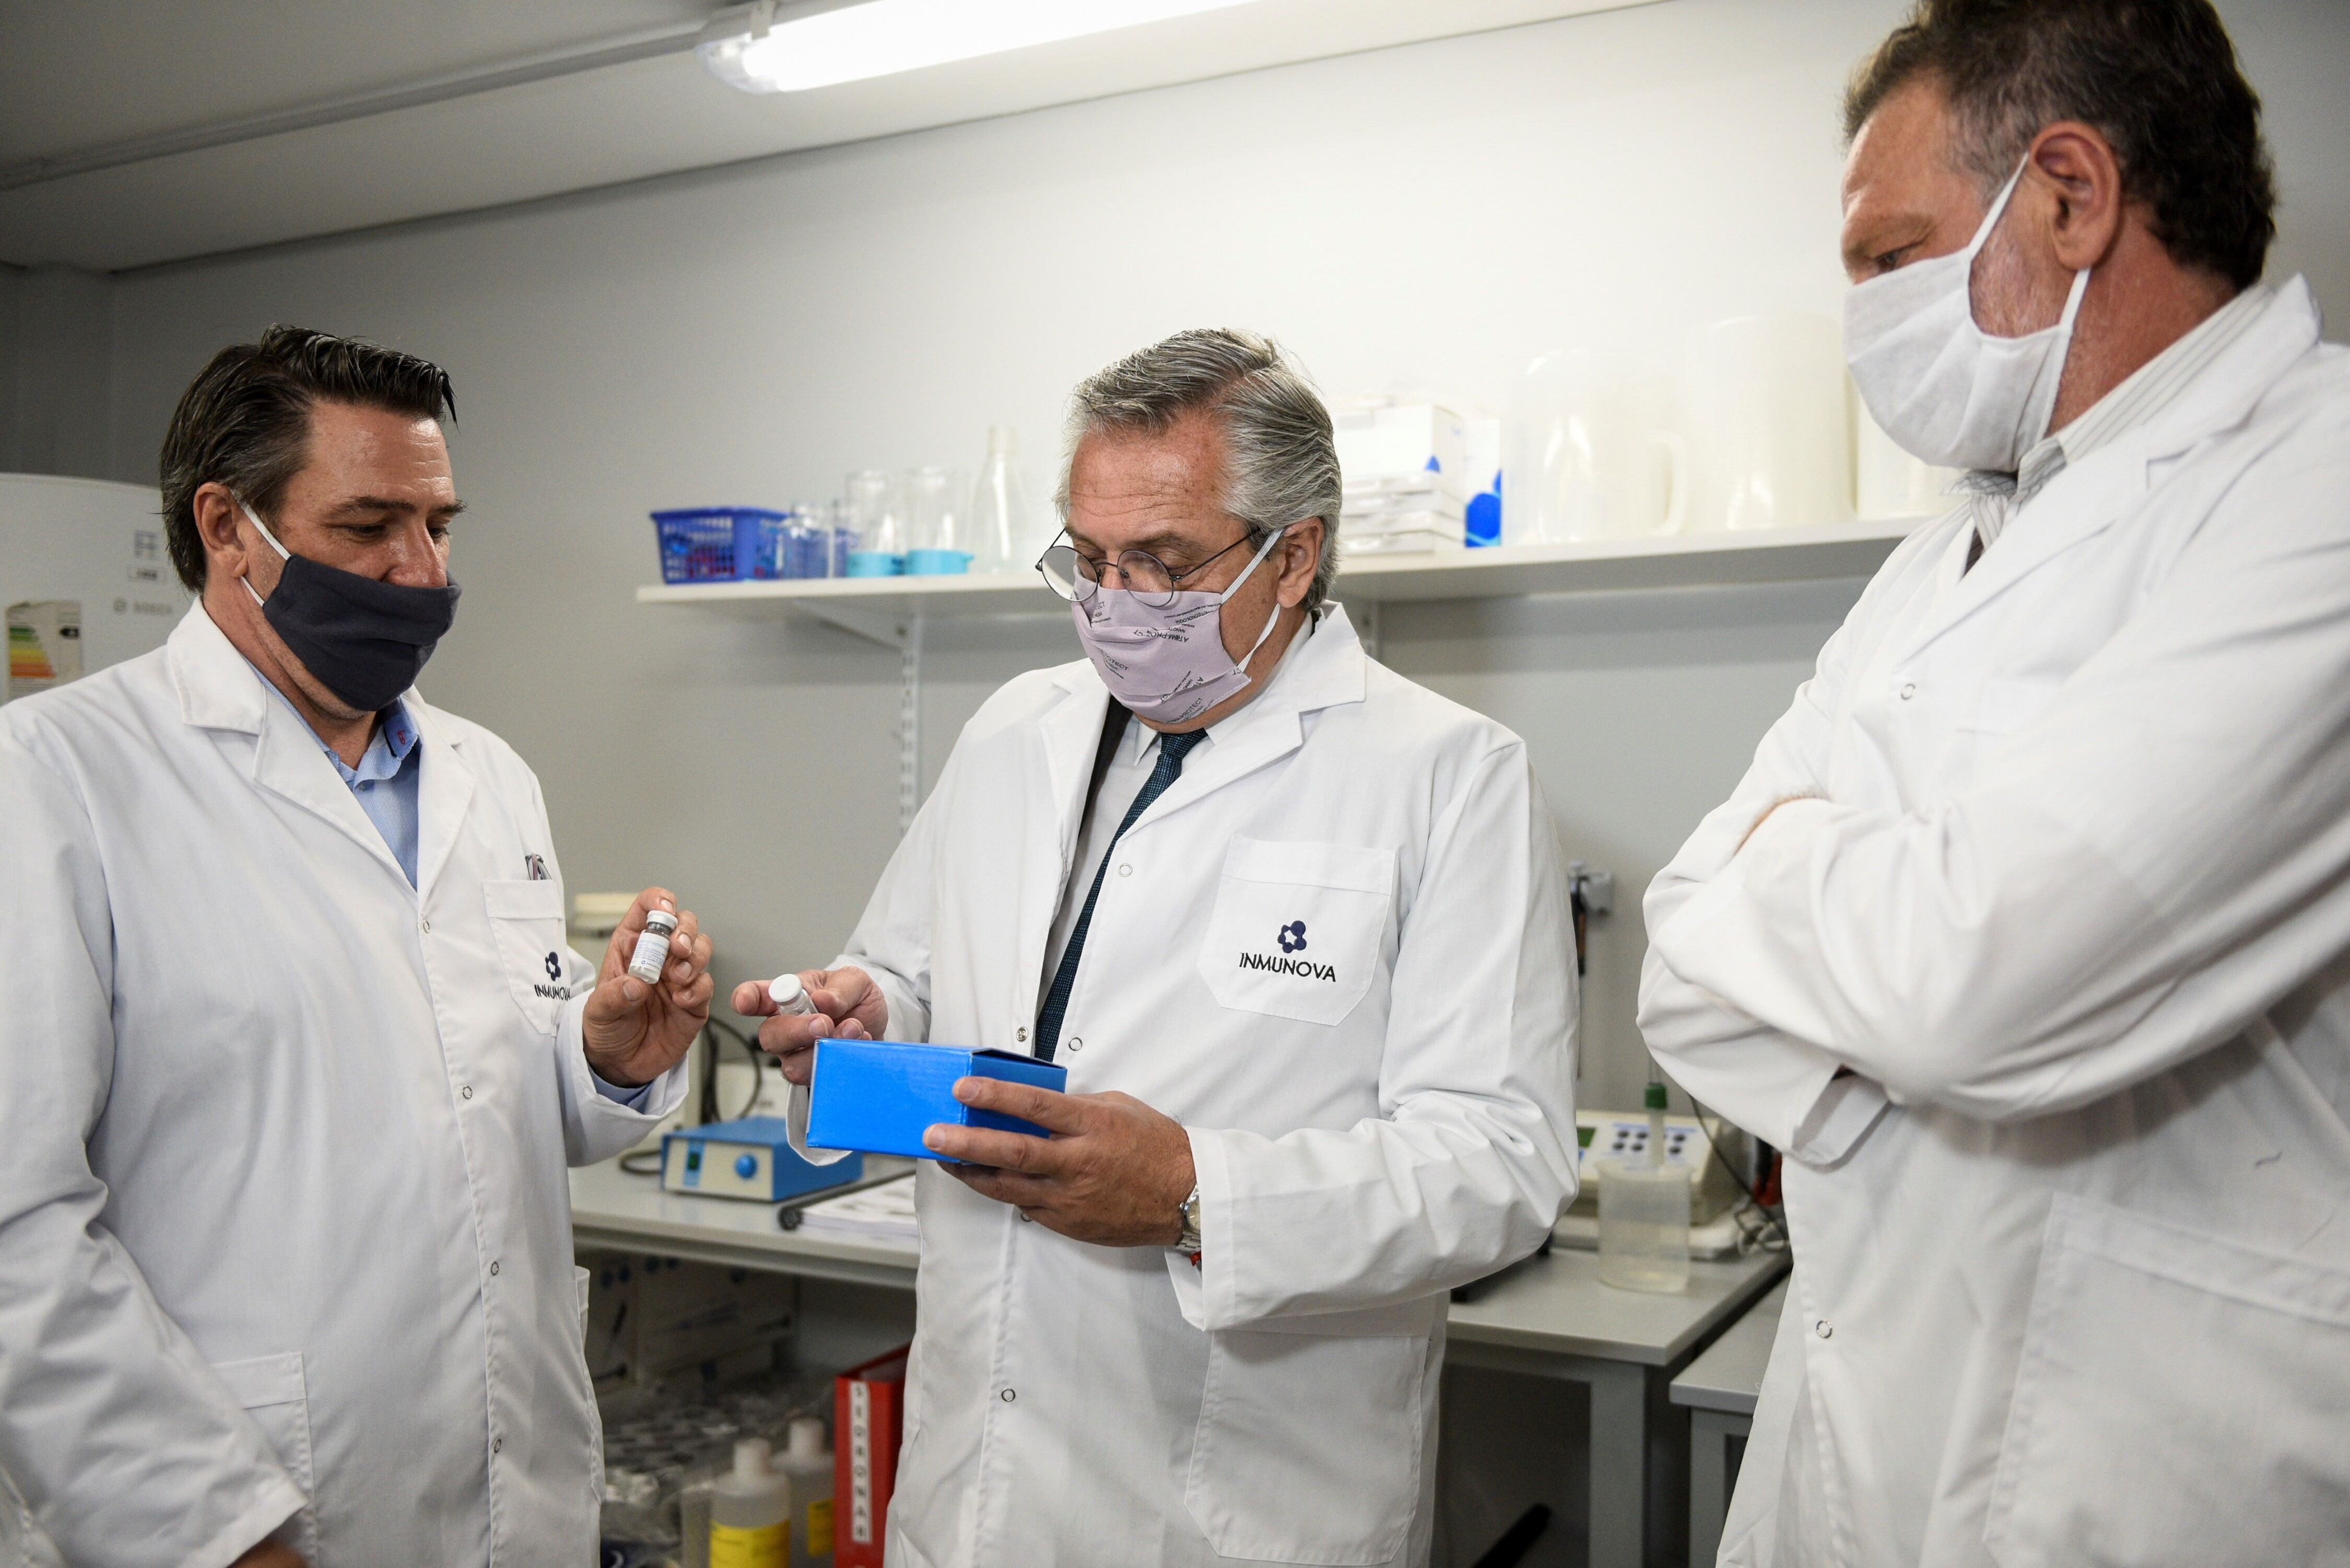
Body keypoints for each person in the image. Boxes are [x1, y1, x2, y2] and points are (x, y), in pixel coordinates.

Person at [1639, 1, 2350, 1563]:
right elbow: (1679, 952)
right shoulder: (1949, 545)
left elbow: (1977, 975)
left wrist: (1858, 940)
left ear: (2070, 194)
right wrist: (1900, 1042)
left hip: (2145, 1470)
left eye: (1888, 256)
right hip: (1852, 1446)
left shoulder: (2319, 483)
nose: (1859, 313)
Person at [734, 329, 1578, 1568]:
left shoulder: (1449, 775)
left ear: (1293, 556)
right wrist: (852, 1019)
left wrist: (1195, 1192)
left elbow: (1500, 1163)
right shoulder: (1017, 729)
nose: (1115, 606)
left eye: (1165, 565)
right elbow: (904, 975)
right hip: (973, 1484)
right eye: (1090, 560)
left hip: (1239, 1504)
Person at [0, 327, 712, 1567]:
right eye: (370, 524)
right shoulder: (56, 779)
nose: (419, 570)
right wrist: (214, 1528)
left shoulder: (489, 776)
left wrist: (603, 1062)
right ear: (230, 528)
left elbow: (474, 1102)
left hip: (513, 1478)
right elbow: (18, 1221)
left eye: (440, 524)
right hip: (252, 1498)